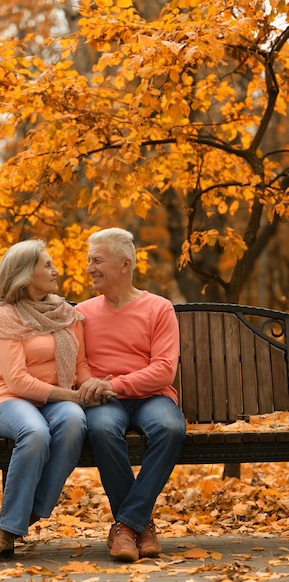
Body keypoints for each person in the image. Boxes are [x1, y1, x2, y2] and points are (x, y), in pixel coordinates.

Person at [0, 239, 106, 566]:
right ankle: (5, 534)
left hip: (57, 401)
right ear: (25, 274)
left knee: (74, 420)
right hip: (10, 401)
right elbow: (16, 380)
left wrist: (89, 388)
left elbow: (81, 366)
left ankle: (9, 527)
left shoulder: (65, 313)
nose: (55, 270)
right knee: (35, 432)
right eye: (46, 265)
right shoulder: (6, 317)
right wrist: (70, 395)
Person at [75, 228, 186, 562]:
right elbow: (79, 364)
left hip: (152, 396)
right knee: (102, 430)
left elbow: (164, 370)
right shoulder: (82, 312)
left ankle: (126, 526)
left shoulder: (159, 308)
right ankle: (141, 528)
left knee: (170, 428)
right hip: (106, 402)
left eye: (97, 260)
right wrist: (90, 385)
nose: (89, 268)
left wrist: (113, 384)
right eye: (89, 261)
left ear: (124, 265)